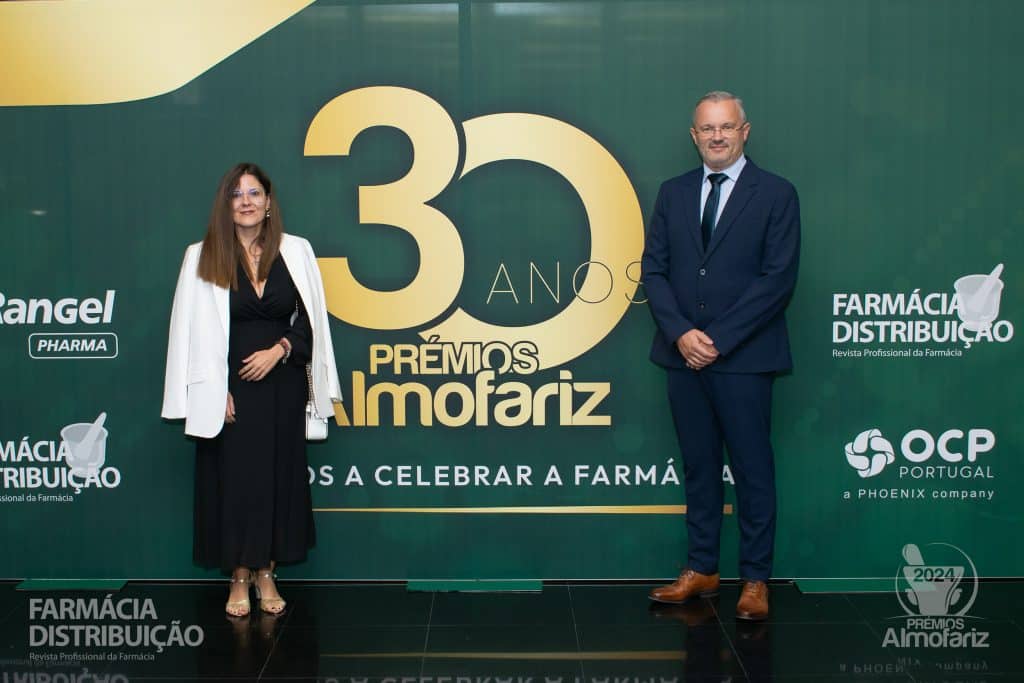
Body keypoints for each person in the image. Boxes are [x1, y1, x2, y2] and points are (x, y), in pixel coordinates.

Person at [641, 91, 800, 620]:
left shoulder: (776, 193)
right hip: (682, 357)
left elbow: (777, 280)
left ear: (744, 131)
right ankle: (701, 568)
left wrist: (716, 340)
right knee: (699, 466)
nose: (717, 136)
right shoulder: (673, 192)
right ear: (694, 136)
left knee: (753, 470)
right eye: (707, 128)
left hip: (745, 359)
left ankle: (755, 579)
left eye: (726, 127)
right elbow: (654, 270)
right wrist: (682, 334)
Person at [161, 162, 342, 617]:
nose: (246, 201)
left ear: (268, 202)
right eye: (237, 194)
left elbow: (312, 324)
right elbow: (187, 331)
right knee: (236, 485)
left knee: (279, 482)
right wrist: (210, 390)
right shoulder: (201, 255)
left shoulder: (296, 251)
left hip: (282, 388)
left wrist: (280, 349)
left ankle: (267, 574)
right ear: (226, 205)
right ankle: (239, 576)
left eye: (254, 193)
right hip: (229, 395)